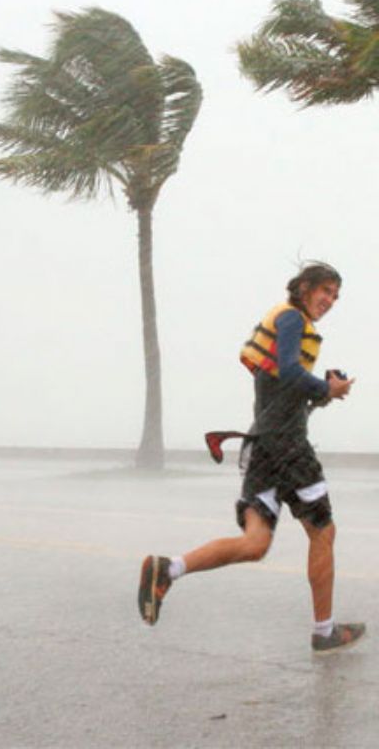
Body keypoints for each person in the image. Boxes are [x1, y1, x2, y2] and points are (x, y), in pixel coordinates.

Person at [137, 263, 365, 653]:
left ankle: (167, 569)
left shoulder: (283, 328)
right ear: (305, 287)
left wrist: (322, 393)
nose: (329, 301)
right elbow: (293, 375)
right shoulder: (292, 318)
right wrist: (325, 386)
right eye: (325, 291)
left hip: (262, 446)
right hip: (288, 448)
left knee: (255, 543)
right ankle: (324, 631)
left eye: (335, 296)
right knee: (323, 532)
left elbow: (286, 390)